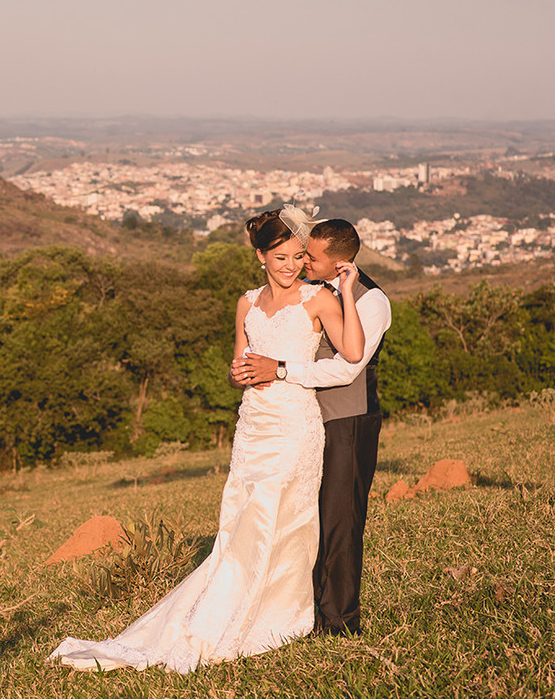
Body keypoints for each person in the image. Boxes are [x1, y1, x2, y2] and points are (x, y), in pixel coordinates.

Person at [47, 206, 363, 673]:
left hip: (294, 426)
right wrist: (238, 375)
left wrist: (349, 292)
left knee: (286, 520)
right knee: (239, 522)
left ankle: (279, 615)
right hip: (252, 425)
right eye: (280, 257)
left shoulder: (317, 299)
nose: (290, 265)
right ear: (260, 257)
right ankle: (226, 607)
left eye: (297, 256)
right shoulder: (247, 302)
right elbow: (239, 363)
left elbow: (353, 353)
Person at [231, 218, 392, 636]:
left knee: (340, 518)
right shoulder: (297, 294)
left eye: (310, 258)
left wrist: (280, 370)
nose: (302, 264)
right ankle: (296, 610)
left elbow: (347, 366)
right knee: (302, 516)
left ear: (337, 262)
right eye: (295, 255)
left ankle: (338, 620)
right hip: (295, 420)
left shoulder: (370, 301)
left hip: (345, 417)